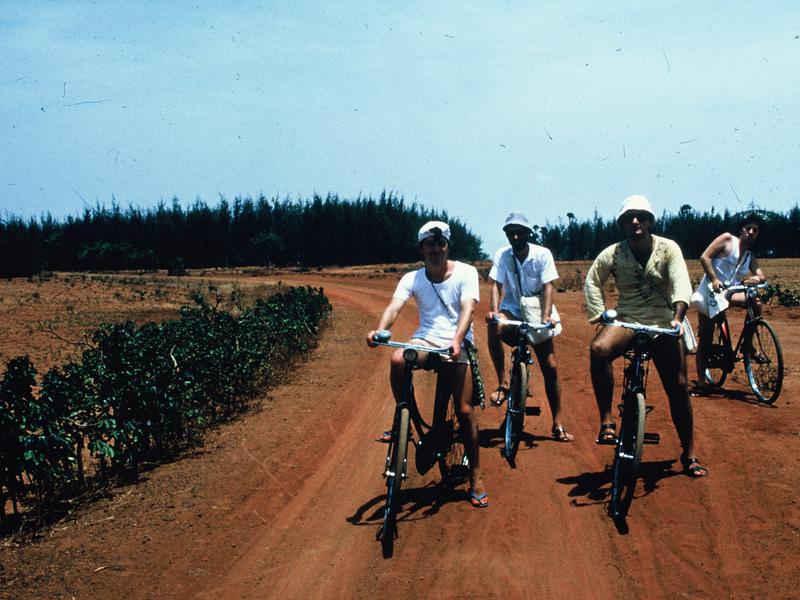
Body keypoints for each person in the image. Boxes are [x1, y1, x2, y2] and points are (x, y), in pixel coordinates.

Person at [366, 221, 488, 507]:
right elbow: (394, 307)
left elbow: (468, 309)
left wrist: (457, 340)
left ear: (447, 246)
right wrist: (379, 330)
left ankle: (476, 477)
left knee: (465, 410)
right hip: (426, 341)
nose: (436, 249)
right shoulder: (413, 278)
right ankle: (403, 421)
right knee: (398, 358)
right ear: (421, 248)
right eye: (430, 244)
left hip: (457, 343)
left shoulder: (467, 272)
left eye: (441, 243)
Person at [584, 195, 707, 477]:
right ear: (622, 224)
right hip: (627, 318)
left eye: (640, 217)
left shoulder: (668, 248)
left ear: (651, 221)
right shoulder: (613, 252)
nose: (635, 222)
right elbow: (593, 279)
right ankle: (606, 421)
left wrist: (677, 318)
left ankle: (689, 453)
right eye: (629, 218)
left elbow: (680, 283)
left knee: (678, 386)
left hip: (663, 320)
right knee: (599, 349)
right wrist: (601, 313)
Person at [485, 213, 573, 442]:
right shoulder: (502, 255)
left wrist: (545, 317)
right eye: (511, 232)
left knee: (550, 366)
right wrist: (495, 312)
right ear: (506, 234)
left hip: (538, 309)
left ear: (528, 234)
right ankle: (503, 383)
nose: (515, 236)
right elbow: (496, 284)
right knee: (494, 326)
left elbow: (548, 287)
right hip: (513, 307)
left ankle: (557, 423)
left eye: (520, 232)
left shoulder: (542, 254)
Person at [692, 213, 766, 393]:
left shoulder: (749, 256)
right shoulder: (727, 240)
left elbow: (760, 274)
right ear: (741, 229)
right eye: (748, 228)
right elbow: (705, 257)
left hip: (729, 294)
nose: (750, 232)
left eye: (755, 230)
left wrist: (756, 278)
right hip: (711, 292)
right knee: (706, 339)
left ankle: (747, 344)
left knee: (755, 301)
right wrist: (714, 279)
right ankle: (702, 382)